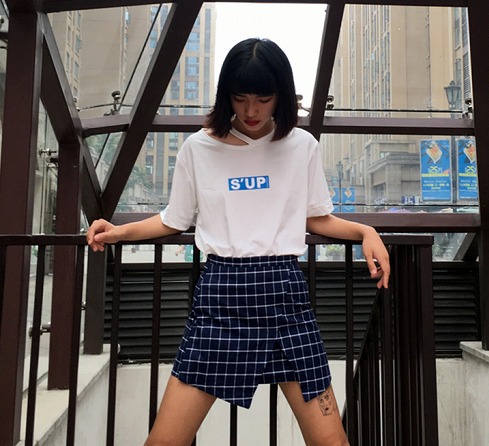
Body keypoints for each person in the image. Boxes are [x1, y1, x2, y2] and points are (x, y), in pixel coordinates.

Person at [87, 38, 390, 446]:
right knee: (163, 442)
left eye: (263, 99)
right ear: (226, 95)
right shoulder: (198, 148)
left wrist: (366, 232)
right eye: (240, 98)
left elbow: (315, 217)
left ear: (281, 96)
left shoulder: (302, 146)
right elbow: (174, 219)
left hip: (284, 299)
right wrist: (119, 231)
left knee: (332, 442)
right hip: (220, 300)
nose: (251, 111)